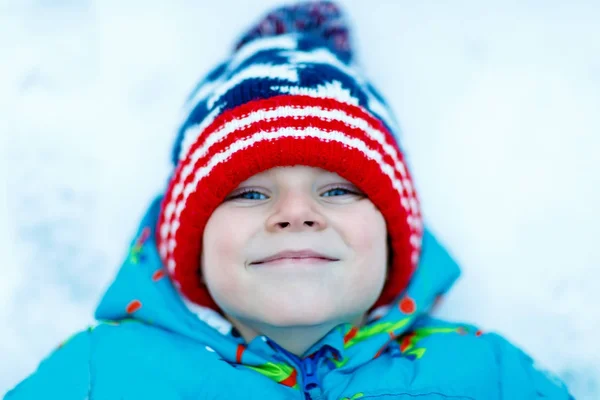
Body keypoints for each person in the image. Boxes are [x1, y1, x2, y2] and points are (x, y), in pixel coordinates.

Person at [5, 2, 572, 399]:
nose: (296, 213)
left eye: (338, 189)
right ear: (192, 244)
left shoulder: (490, 374)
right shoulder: (94, 376)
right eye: (249, 192)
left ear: (397, 235)